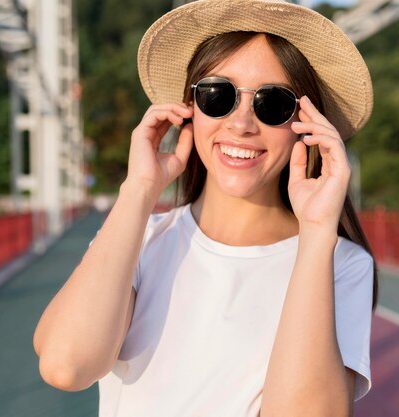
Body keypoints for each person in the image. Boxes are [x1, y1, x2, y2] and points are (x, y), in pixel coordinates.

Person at [33, 1, 378, 416]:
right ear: (189, 108)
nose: (241, 124)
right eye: (218, 95)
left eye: (273, 104)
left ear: (305, 126)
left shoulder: (339, 263)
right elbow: (65, 365)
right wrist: (139, 189)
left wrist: (319, 230)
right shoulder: (138, 239)